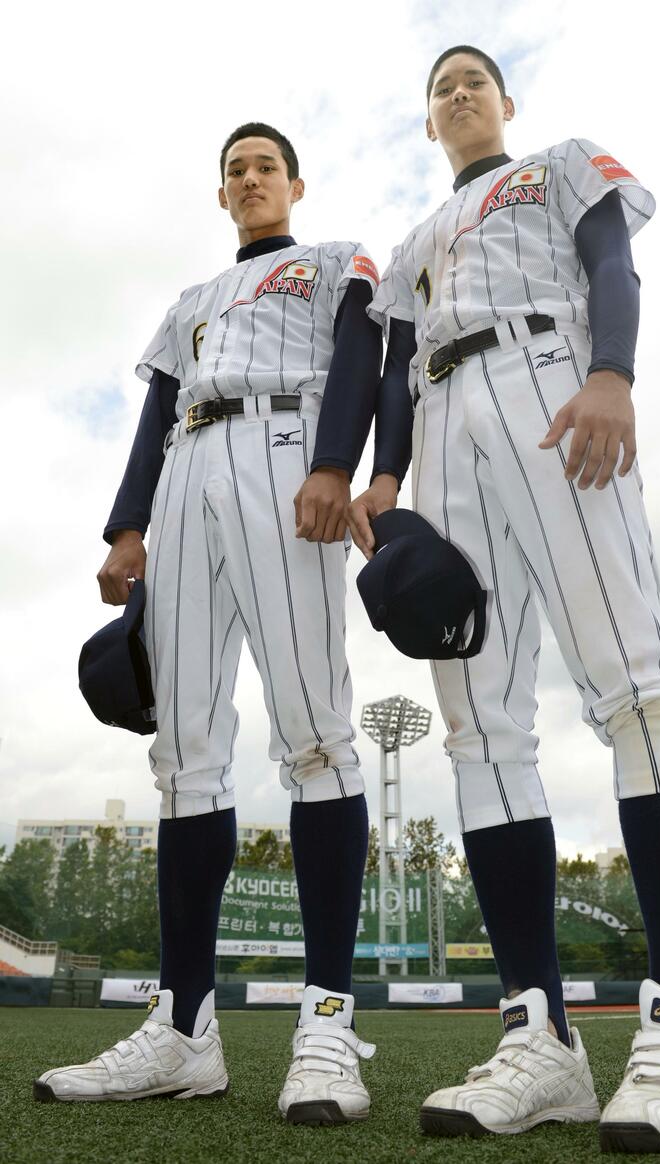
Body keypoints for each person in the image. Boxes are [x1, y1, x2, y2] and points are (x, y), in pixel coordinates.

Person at [348, 46, 660, 1153]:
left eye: (474, 79)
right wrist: (385, 475)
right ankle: (541, 1040)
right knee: (480, 729)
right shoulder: (415, 245)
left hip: (549, 383)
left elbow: (612, 260)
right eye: (441, 87)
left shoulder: (561, 160)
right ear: (429, 121)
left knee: (635, 686)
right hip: (442, 427)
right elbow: (393, 367)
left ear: (505, 101)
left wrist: (612, 371)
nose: (459, 93)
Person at [34, 122, 381, 1126]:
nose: (251, 177)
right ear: (221, 195)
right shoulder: (189, 304)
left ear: (295, 184)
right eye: (236, 170)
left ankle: (327, 1020)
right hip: (188, 469)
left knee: (314, 733)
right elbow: (156, 413)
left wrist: (335, 464)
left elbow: (363, 357)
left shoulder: (333, 260)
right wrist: (127, 527)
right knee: (183, 754)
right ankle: (183, 1029)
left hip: (286, 451)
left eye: (266, 165)